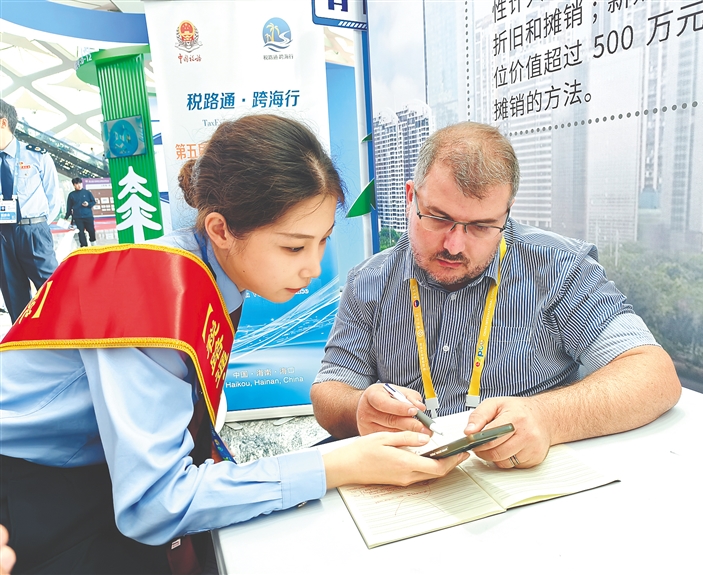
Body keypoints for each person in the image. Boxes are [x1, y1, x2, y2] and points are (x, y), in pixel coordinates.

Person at [0, 114, 466, 574]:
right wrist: (334, 465)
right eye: (294, 247)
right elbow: (153, 504)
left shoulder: (206, 275)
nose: (313, 267)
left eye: (323, 241)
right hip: (32, 488)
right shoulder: (155, 292)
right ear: (220, 229)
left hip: (98, 463)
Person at [311, 121, 682, 470]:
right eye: (438, 217)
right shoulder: (369, 281)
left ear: (506, 213)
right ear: (411, 198)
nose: (454, 245)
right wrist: (360, 409)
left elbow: (653, 374)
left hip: (518, 476)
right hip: (406, 478)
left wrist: (548, 416)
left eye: (481, 226)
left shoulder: (559, 268)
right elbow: (330, 390)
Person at [0, 99, 60, 323]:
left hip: (33, 231)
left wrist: (38, 226)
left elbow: (53, 198)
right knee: (13, 294)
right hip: (2, 235)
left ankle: (61, 334)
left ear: (3, 123)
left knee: (51, 288)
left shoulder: (37, 156)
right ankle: (24, 340)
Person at [66, 177, 97, 247]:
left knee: (91, 230)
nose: (79, 185)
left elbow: (93, 202)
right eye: (77, 184)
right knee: (80, 232)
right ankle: (84, 246)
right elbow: (69, 207)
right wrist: (66, 217)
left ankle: (93, 242)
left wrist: (88, 204)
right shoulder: (71, 195)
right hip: (78, 217)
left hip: (88, 215)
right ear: (74, 185)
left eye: (80, 183)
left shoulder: (87, 193)